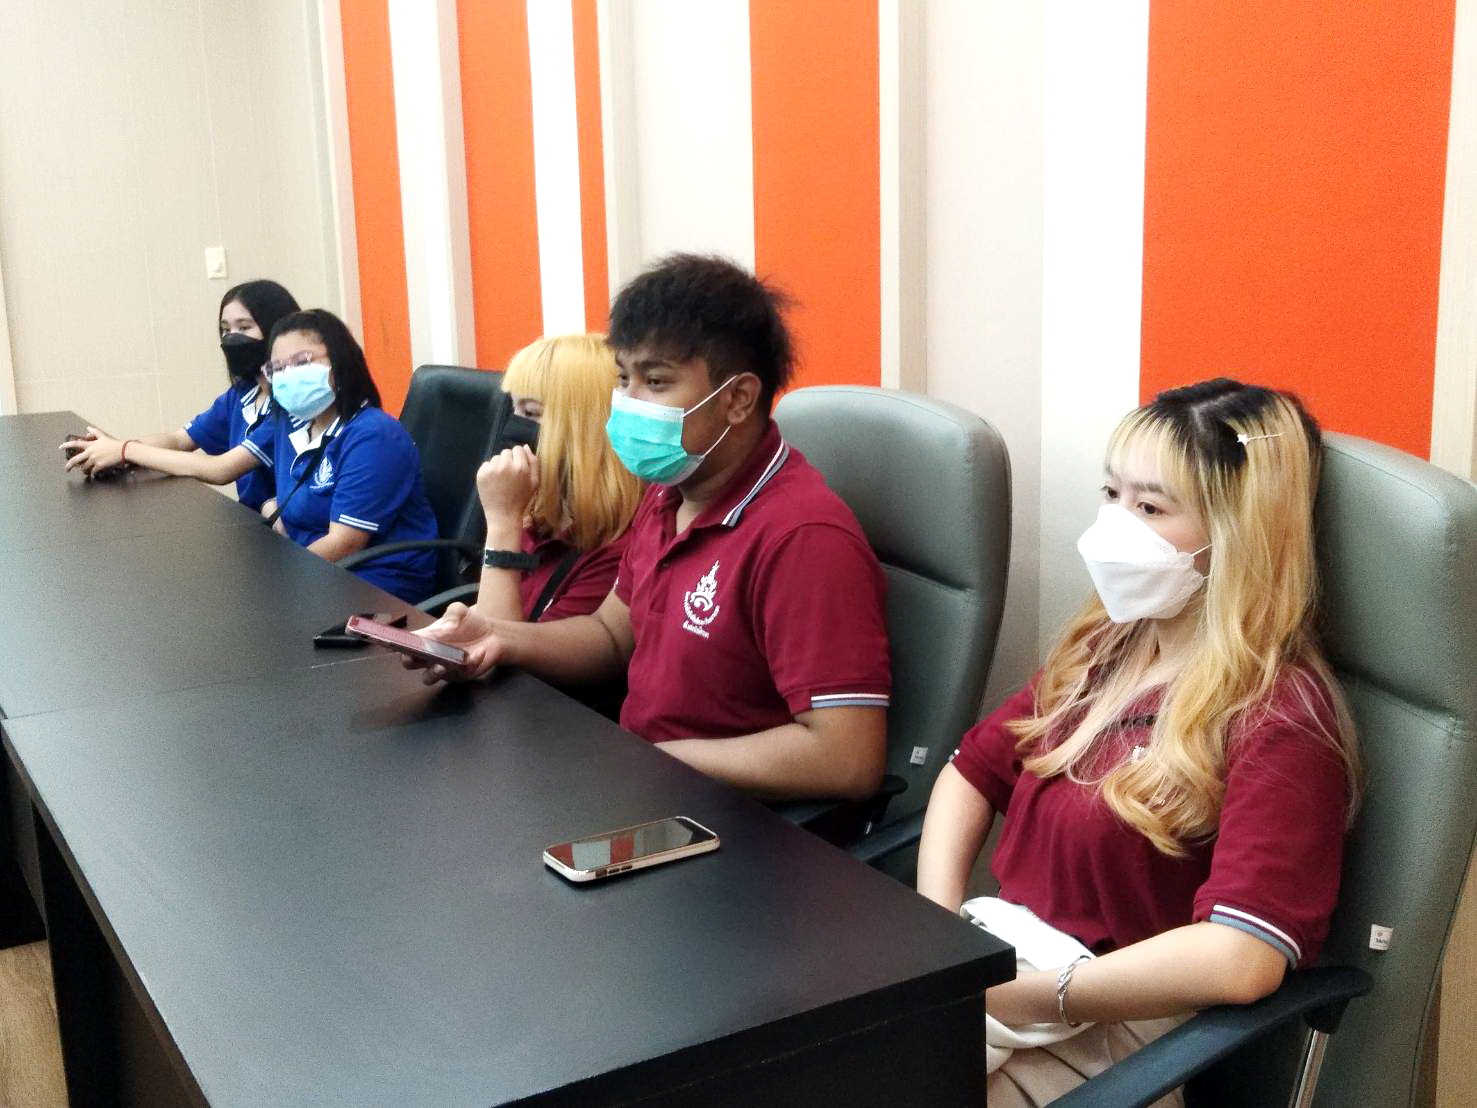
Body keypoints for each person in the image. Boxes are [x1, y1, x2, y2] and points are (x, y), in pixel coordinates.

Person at [915, 379, 1361, 1106]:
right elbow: (971, 773)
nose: (1114, 525)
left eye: (1150, 508)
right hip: (1000, 975)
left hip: (1105, 1035)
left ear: (1236, 533)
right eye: (1111, 494)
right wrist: (939, 938)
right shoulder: (1108, 647)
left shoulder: (1278, 718)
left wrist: (1024, 996)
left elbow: (1240, 958)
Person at [412, 255, 892, 802]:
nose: (627, 403)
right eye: (624, 379)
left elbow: (846, 758)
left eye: (656, 382)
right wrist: (498, 637)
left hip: (723, 816)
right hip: (641, 782)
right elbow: (612, 636)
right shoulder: (669, 494)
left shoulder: (803, 537)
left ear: (737, 399)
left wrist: (645, 761)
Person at [65, 309, 438, 603]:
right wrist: (272, 511)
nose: (289, 375)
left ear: (341, 362)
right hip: (316, 572)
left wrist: (273, 586)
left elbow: (345, 543)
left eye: (303, 361)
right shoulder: (289, 424)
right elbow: (270, 493)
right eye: (278, 368)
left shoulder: (372, 434)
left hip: (374, 589)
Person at [62, 279, 299, 510]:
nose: (232, 338)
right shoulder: (241, 394)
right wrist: (115, 449)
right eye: (226, 330)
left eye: (244, 327)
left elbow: (220, 469)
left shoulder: (292, 405)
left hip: (280, 528)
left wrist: (126, 450)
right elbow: (180, 440)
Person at [473, 334, 643, 623]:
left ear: (584, 426)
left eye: (530, 412)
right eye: (513, 410)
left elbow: (496, 639)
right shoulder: (541, 515)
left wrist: (502, 522)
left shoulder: (619, 550)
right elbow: (490, 610)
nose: (513, 426)